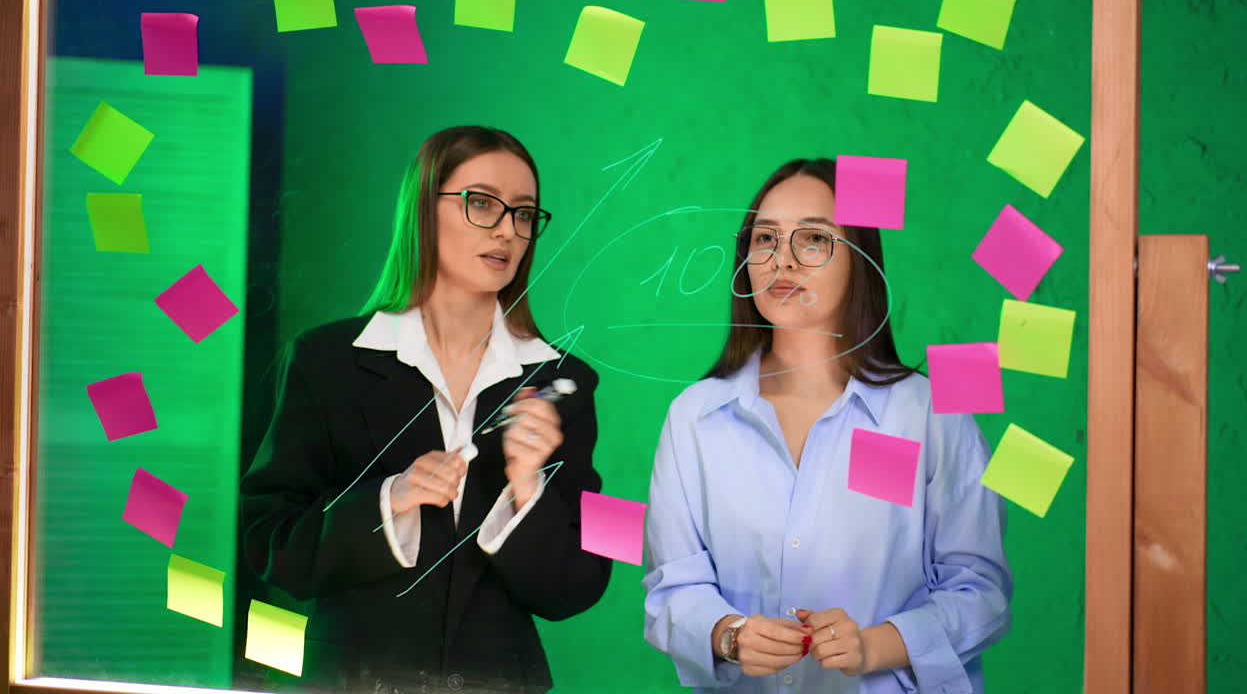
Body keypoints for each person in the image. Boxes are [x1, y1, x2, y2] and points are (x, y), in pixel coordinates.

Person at [241, 126, 612, 694]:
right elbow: (266, 540)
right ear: (423, 208)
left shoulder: (567, 383)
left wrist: (527, 489)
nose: (508, 231)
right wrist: (392, 500)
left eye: (524, 213)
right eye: (482, 204)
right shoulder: (324, 362)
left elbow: (583, 584)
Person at [642, 158, 1013, 693]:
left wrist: (876, 644)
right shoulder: (695, 419)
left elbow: (981, 590)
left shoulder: (929, 413)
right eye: (764, 239)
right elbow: (670, 589)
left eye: (813, 239)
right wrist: (728, 634)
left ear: (861, 260)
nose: (781, 261)